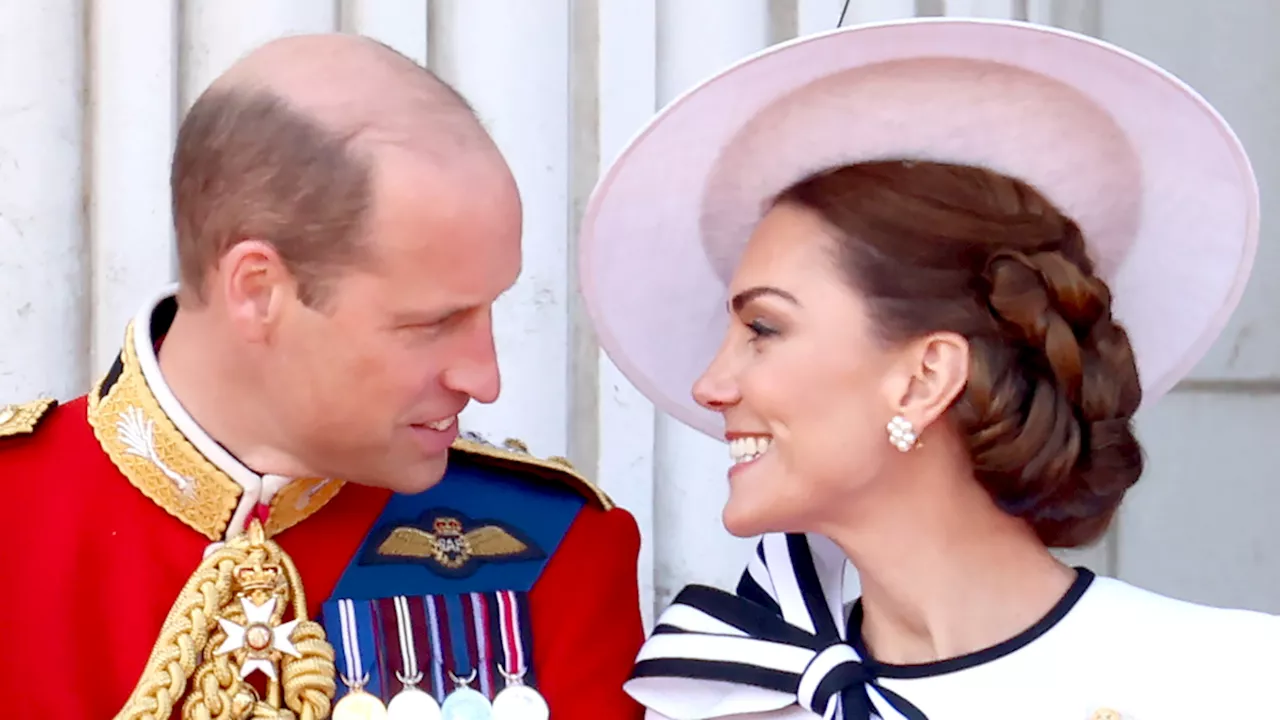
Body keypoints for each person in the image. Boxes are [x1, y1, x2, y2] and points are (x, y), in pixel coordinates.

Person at [577, 17, 1279, 720]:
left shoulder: (1231, 684)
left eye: (763, 328)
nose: (710, 386)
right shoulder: (721, 702)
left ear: (924, 379)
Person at [0, 34, 645, 720]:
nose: (485, 380)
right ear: (257, 290)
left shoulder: (550, 551)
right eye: (430, 324)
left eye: (491, 310)